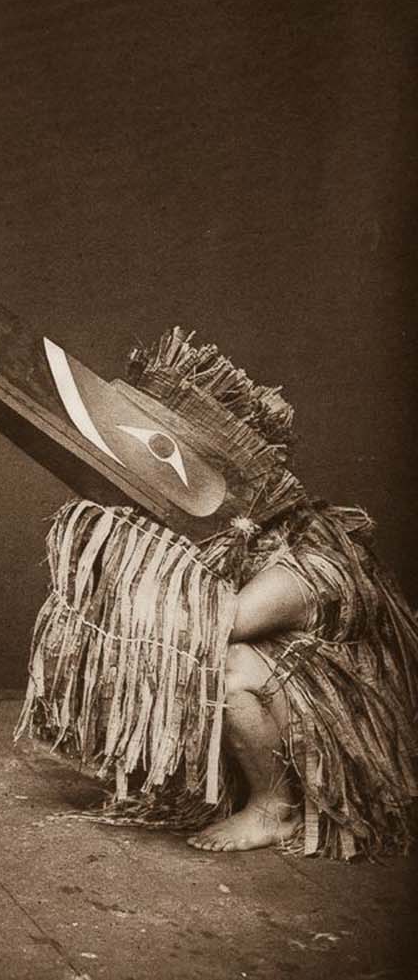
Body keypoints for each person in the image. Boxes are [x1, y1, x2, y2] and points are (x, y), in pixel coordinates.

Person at [22, 329, 418, 859]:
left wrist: (137, 544)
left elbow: (221, 623)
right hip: (297, 698)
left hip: (354, 735)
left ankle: (274, 807)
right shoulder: (249, 544)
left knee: (228, 667)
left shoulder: (307, 561)